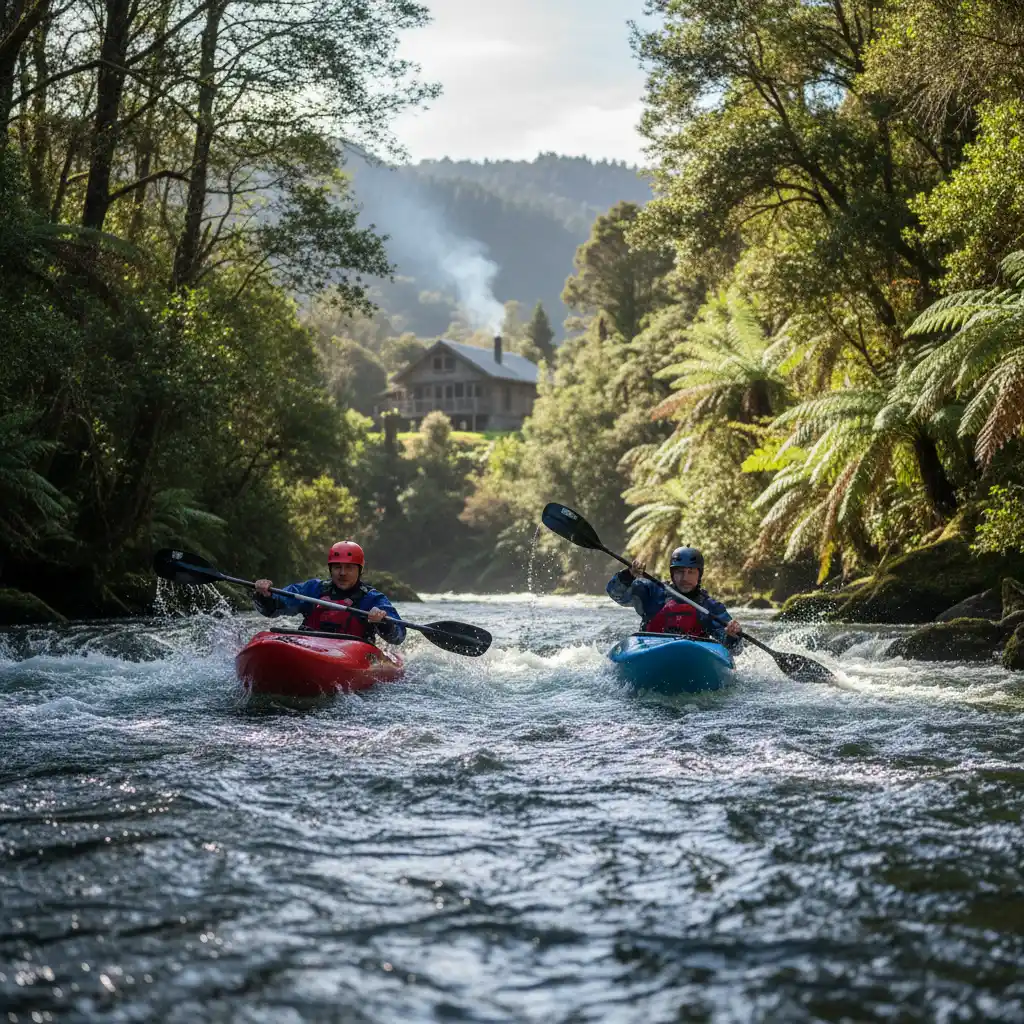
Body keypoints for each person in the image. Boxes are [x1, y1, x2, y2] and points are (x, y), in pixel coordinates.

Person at [252, 541, 405, 645]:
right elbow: (275, 608)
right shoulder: (313, 589)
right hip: (309, 645)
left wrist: (383, 623)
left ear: (360, 570)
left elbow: (399, 636)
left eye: (350, 568)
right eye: (337, 567)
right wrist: (265, 596)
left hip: (352, 653)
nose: (343, 573)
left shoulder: (372, 599)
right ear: (330, 569)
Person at [606, 546, 742, 647]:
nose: (685, 578)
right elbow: (616, 593)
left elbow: (733, 648)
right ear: (672, 573)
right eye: (680, 572)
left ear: (699, 575)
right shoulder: (652, 591)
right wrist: (628, 575)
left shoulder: (710, 607)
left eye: (691, 572)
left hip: (692, 657)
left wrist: (732, 635)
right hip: (650, 649)